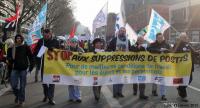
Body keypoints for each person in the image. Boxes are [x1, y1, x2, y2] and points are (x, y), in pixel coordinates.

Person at [34, 29, 59, 105]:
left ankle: (50, 98)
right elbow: (36, 51)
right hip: (43, 65)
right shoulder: (41, 41)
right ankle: (46, 94)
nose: (46, 37)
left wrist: (53, 49)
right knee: (44, 82)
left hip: (53, 65)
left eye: (47, 36)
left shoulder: (56, 41)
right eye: (44, 36)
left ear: (51, 34)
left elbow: (59, 51)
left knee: (52, 82)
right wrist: (41, 49)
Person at [8, 34, 34, 107]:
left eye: (19, 38)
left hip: (23, 69)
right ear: (15, 39)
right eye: (17, 38)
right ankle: (18, 95)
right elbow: (8, 56)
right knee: (13, 85)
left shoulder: (25, 46)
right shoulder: (11, 47)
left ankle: (21, 100)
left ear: (22, 39)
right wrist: (10, 59)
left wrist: (31, 66)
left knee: (22, 86)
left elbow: (31, 56)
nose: (18, 39)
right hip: (14, 68)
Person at [107, 27, 131, 98]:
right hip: (115, 63)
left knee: (122, 78)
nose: (122, 32)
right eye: (121, 31)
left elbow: (130, 49)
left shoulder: (128, 41)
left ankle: (120, 92)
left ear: (125, 32)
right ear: (118, 32)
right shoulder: (114, 40)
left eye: (124, 31)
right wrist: (112, 52)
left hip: (124, 63)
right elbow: (108, 49)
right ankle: (115, 93)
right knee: (115, 78)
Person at [173, 32, 197, 102]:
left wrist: (198, 52)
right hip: (181, 67)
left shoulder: (188, 45)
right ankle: (183, 96)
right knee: (182, 80)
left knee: (189, 80)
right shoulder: (177, 45)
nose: (185, 38)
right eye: (183, 37)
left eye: (185, 37)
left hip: (189, 66)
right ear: (180, 38)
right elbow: (173, 54)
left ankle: (179, 88)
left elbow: (194, 52)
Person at [147, 33, 171, 101]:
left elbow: (170, 51)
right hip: (154, 64)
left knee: (163, 80)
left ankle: (163, 94)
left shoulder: (166, 44)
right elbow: (148, 49)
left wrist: (165, 50)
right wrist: (159, 50)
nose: (160, 38)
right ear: (156, 38)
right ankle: (154, 90)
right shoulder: (153, 44)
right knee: (154, 78)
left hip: (163, 65)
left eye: (161, 37)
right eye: (159, 37)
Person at [66, 36, 84, 103]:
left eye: (75, 42)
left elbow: (85, 57)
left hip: (78, 69)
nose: (73, 43)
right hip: (69, 69)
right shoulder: (67, 49)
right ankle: (71, 97)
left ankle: (78, 97)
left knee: (77, 84)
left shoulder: (80, 49)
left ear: (77, 42)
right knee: (70, 84)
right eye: (72, 42)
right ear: (70, 43)